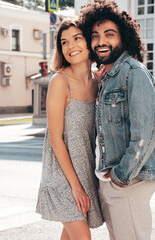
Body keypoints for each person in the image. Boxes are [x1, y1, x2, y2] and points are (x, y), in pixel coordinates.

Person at [79, 1, 155, 240]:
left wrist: (121, 176)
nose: (100, 41)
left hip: (129, 181)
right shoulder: (108, 77)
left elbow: (146, 132)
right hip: (113, 181)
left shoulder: (134, 73)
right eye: (94, 36)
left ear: (123, 38)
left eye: (109, 34)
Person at [36, 17, 104, 240]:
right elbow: (55, 139)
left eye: (77, 38)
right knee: (82, 237)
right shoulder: (59, 81)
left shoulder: (97, 82)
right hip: (61, 176)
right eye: (64, 42)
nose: (70, 46)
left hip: (85, 171)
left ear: (89, 42)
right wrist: (75, 187)